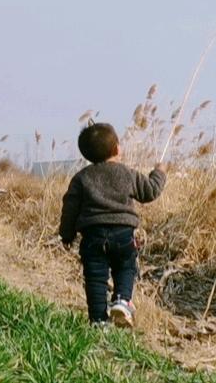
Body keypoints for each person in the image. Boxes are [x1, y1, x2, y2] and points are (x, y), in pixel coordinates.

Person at [58, 122, 166, 327]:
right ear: (117, 149)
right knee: (126, 267)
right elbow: (150, 191)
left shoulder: (81, 178)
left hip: (93, 237)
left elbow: (70, 208)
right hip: (123, 234)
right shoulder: (127, 173)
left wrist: (66, 235)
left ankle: (99, 320)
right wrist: (159, 172)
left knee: (95, 278)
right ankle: (122, 300)